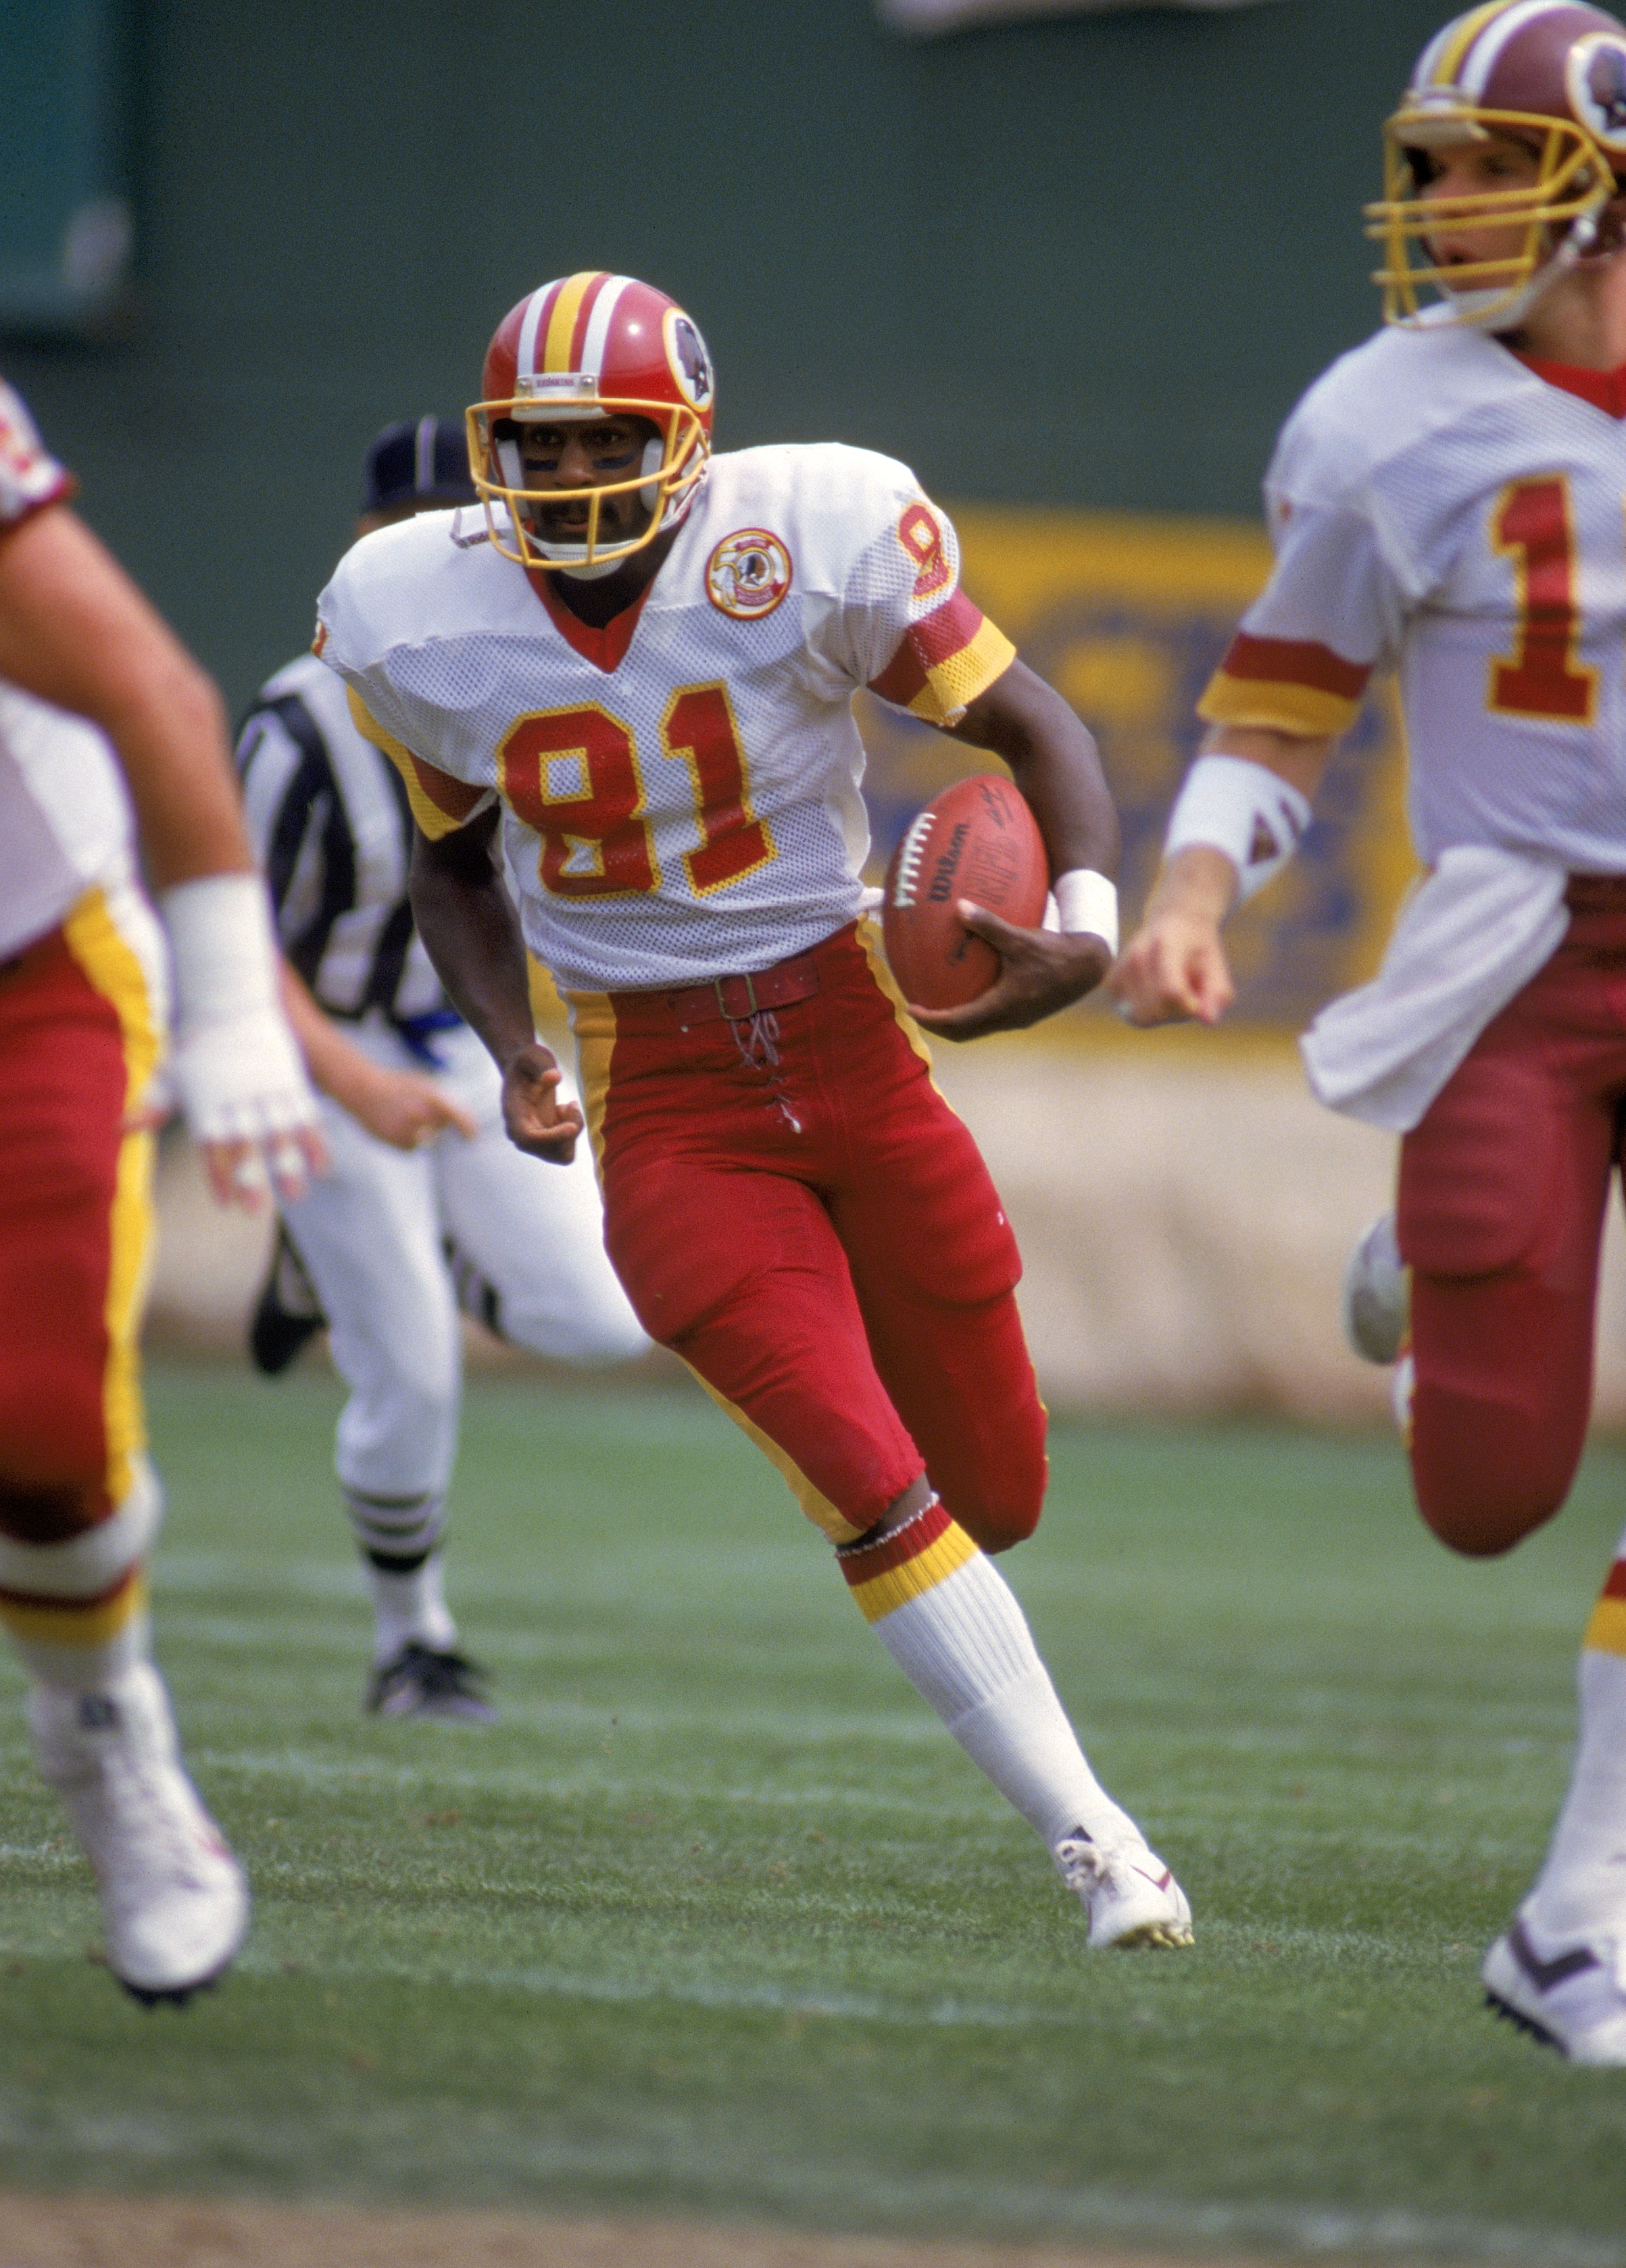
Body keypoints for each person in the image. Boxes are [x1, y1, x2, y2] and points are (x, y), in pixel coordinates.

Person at [311, 270, 1191, 1952]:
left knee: (993, 1494)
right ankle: (1100, 1845)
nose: (565, 479)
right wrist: (512, 1046)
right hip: (670, 1103)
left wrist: (1083, 918)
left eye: (603, 441)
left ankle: (1037, 1719)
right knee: (870, 1483)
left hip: (857, 1044)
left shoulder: (820, 532)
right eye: (535, 446)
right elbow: (449, 864)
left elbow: (1027, 720)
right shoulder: (413, 614)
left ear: (691, 441)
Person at [1110, 0, 1626, 2054]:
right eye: (1423, 165)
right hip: (1520, 960)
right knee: (1486, 1490)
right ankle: (1427, 1249)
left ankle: (1576, 1911)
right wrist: (1184, 887)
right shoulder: (1389, 413)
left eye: (1474, 162)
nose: (1433, 204)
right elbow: (1282, 693)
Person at [236, 418, 647, 1723]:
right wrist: (354, 1092)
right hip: (326, 1053)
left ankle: (396, 1254)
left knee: (604, 1320)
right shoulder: (299, 732)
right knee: (412, 1370)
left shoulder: (528, 675)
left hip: (466, 1047)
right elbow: (233, 952)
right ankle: (411, 1640)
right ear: (365, 554)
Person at [0, 382, 322, 2001]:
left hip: (26, 954)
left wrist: (233, 998)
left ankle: (107, 1737)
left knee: (42, 1434)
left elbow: (147, 686)